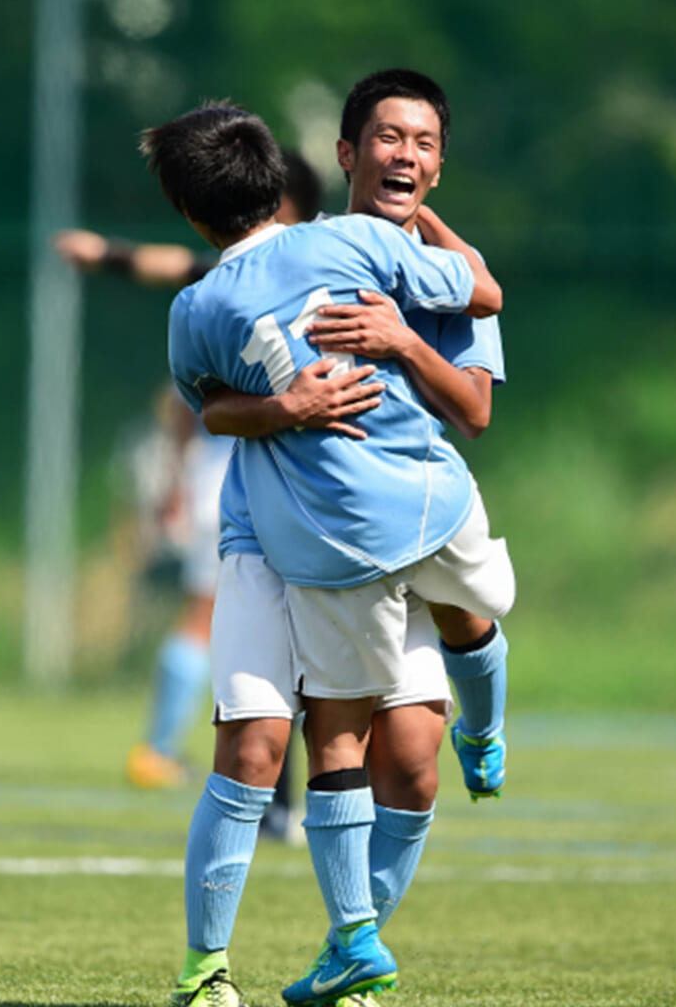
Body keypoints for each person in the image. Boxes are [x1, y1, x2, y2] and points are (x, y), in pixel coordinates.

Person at [142, 97, 512, 1007]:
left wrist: (397, 340)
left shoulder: (384, 248)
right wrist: (287, 409)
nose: (406, 158)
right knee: (260, 745)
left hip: (405, 517)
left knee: (414, 756)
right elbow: (214, 408)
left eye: (423, 146)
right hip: (283, 542)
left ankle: (354, 952)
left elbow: (475, 396)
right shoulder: (235, 291)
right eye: (390, 140)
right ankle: (210, 971)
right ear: (337, 156)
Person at [53, 152, 321, 843]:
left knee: (233, 626)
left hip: (251, 472)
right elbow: (175, 270)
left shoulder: (279, 267)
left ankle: (213, 770)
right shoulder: (284, 270)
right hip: (254, 471)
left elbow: (173, 267)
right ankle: (266, 795)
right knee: (263, 632)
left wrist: (105, 255)